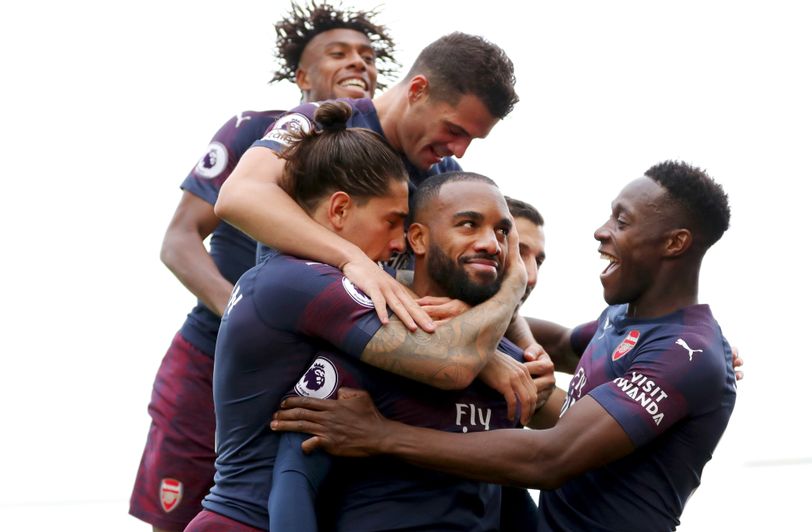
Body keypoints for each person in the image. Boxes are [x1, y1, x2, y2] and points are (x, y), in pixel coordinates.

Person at [272, 160, 739, 532]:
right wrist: (458, 313)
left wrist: (381, 436)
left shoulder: (686, 354)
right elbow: (554, 342)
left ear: (675, 243)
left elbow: (549, 458)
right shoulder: (622, 321)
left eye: (622, 220)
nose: (601, 231)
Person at [187, 107, 537, 531]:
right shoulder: (302, 281)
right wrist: (512, 285)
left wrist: (493, 348)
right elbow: (452, 363)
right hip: (253, 520)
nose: (397, 243)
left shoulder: (299, 276)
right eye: (392, 222)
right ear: (339, 210)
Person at [129, 4, 397, 530]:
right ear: (301, 75)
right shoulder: (252, 130)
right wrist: (239, 312)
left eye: (367, 57)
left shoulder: (376, 156)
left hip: (316, 368)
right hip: (214, 355)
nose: (358, 64)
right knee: (187, 513)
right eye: (338, 53)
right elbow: (179, 241)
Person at [267, 172, 557, 531]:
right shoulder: (370, 339)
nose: (491, 244)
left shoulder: (513, 366)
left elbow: (512, 493)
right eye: (469, 225)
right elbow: (294, 480)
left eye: (502, 232)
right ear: (418, 239)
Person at [214, 31, 518, 332]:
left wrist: (472, 310)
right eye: (454, 130)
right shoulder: (318, 122)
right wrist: (351, 259)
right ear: (418, 90)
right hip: (293, 345)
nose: (460, 149)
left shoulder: (446, 179)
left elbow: (496, 260)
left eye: (472, 139)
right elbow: (239, 196)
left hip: (388, 353)